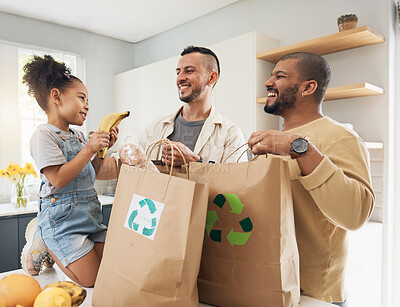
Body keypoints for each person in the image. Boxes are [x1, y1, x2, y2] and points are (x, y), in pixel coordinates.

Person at [247, 52, 375, 306]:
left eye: (279, 76)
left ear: (308, 87)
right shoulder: (270, 140)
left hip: (315, 297)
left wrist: (298, 147)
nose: (267, 82)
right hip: (268, 286)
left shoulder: (341, 138)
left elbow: (355, 214)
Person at [21, 55, 119, 287]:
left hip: (91, 218)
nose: (87, 105)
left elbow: (91, 172)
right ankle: (44, 236)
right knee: (91, 280)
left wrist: (103, 152)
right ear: (56, 96)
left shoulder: (79, 137)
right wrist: (89, 147)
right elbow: (58, 178)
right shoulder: (43, 135)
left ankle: (50, 241)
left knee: (112, 268)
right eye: (82, 98)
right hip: (62, 221)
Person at [138, 46, 247, 165]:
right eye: (178, 72)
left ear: (211, 78)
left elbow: (234, 181)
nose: (180, 78)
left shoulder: (231, 134)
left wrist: (195, 161)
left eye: (189, 71)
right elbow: (129, 164)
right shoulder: (156, 126)